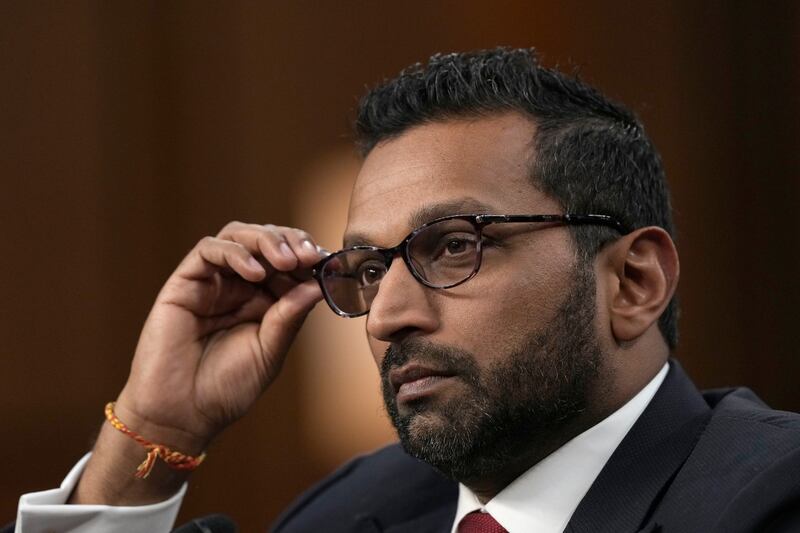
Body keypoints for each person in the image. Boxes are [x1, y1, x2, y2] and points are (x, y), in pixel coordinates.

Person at [11, 48, 800, 533]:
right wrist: (152, 428)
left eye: (454, 246)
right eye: (369, 268)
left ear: (633, 281)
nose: (385, 315)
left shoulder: (769, 498)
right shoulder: (348, 512)